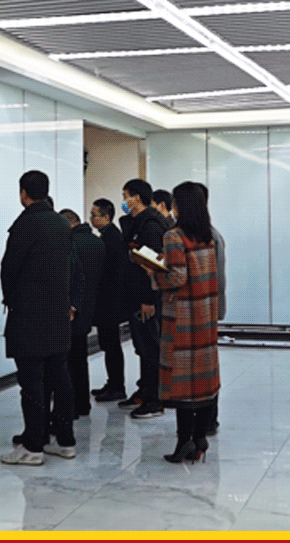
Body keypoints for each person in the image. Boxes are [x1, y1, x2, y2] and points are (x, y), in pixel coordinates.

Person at [135, 182, 220, 463]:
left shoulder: (174, 236)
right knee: (203, 381)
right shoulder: (207, 236)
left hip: (183, 317)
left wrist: (153, 272)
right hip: (205, 316)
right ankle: (200, 438)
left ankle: (184, 442)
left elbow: (177, 278)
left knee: (183, 385)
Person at [0, 170, 77, 465]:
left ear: (23, 193)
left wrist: (11, 299)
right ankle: (64, 440)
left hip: (29, 314)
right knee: (60, 377)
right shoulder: (62, 223)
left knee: (31, 381)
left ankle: (33, 445)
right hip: (58, 312)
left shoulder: (24, 225)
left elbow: (9, 269)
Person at [117, 178, 170, 419]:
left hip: (146, 299)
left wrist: (148, 299)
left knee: (150, 349)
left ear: (136, 197)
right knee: (142, 347)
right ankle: (144, 390)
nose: (124, 200)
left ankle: (155, 399)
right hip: (135, 295)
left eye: (125, 195)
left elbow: (154, 265)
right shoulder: (138, 222)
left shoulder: (151, 225)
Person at [61, 208, 105, 417]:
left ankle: (71, 406)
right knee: (81, 359)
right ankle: (83, 403)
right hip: (90, 307)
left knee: (68, 362)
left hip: (71, 308)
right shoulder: (97, 242)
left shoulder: (70, 244)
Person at [89, 198, 129, 403]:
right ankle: (112, 383)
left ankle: (117, 386)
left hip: (110, 302)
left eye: (94, 215)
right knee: (108, 344)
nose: (91, 218)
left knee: (111, 345)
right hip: (108, 301)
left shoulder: (111, 239)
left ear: (106, 217)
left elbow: (110, 273)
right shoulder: (108, 235)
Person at [196, 182, 226, 436]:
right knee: (204, 365)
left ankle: (207, 420)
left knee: (204, 366)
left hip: (203, 310)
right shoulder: (208, 234)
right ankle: (205, 420)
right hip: (206, 308)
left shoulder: (206, 238)